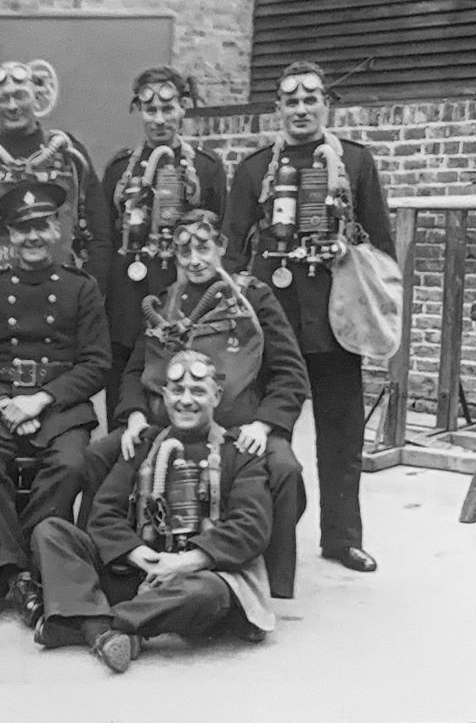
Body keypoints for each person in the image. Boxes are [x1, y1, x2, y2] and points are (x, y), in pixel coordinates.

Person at [222, 60, 394, 573]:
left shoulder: (357, 163)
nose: (301, 109)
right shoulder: (255, 169)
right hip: (274, 320)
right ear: (278, 107)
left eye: (311, 99)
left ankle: (342, 537)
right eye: (290, 101)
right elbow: (232, 250)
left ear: (326, 104)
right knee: (267, 430)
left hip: (336, 319)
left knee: (342, 434)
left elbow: (380, 246)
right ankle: (264, 535)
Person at [83, 210, 308, 598]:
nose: (194, 260)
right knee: (98, 455)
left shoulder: (252, 297)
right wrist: (134, 416)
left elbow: (290, 372)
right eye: (184, 251)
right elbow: (136, 369)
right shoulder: (167, 302)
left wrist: (263, 426)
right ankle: (101, 562)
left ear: (220, 247)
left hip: (238, 429)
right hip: (165, 424)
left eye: (204, 248)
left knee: (285, 467)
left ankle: (271, 579)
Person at [30, 350, 275, 674]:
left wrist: (187, 562)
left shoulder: (238, 452)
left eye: (198, 391)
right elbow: (103, 515)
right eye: (178, 391)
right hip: (140, 571)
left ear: (216, 396)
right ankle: (114, 633)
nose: (186, 401)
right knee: (51, 532)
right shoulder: (142, 445)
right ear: (164, 394)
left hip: (198, 575)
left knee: (209, 592)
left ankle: (91, 624)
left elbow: (251, 527)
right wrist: (140, 555)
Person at [0, 181, 111, 624]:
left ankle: (7, 568)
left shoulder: (81, 289)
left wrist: (42, 400)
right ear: (9, 236)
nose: (34, 237)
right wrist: (4, 404)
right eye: (23, 229)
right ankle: (21, 573)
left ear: (58, 229)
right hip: (1, 402)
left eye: (41, 225)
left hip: (59, 406)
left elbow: (97, 363)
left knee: (73, 465)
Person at [102, 66, 227, 424]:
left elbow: (220, 243)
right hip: (127, 303)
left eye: (167, 109)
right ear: (139, 111)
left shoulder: (206, 170)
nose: (159, 119)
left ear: (183, 108)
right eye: (150, 110)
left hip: (184, 302)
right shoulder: (119, 170)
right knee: (123, 407)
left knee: (182, 396)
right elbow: (104, 241)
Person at [0, 60, 112, 310]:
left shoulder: (68, 156)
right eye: (4, 98)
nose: (12, 106)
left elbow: (99, 232)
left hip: (62, 302)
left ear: (37, 96)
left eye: (20, 96)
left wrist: (89, 295)